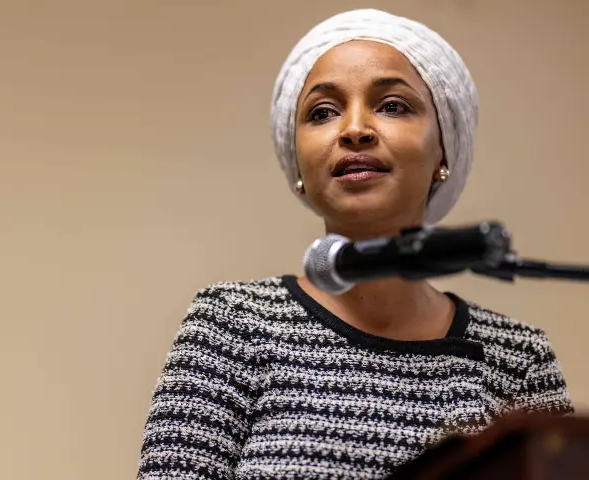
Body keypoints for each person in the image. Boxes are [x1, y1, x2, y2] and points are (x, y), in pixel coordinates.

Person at [137, 9, 572, 480]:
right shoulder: (232, 323)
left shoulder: (518, 357)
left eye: (392, 106)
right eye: (323, 113)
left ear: (443, 147)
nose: (355, 130)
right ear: (299, 165)